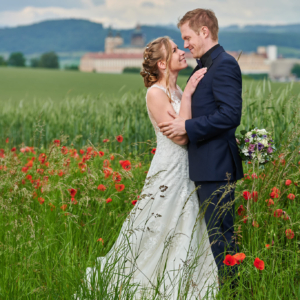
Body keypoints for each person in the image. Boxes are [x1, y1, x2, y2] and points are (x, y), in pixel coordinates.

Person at [79, 36, 219, 299]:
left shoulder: (176, 92)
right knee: (157, 225)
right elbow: (180, 137)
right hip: (169, 171)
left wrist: (187, 97)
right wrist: (189, 93)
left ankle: (188, 284)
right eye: (175, 50)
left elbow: (185, 124)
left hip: (188, 169)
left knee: (187, 223)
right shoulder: (155, 93)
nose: (182, 51)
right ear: (164, 64)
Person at [157, 9, 244, 287]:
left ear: (204, 32)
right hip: (205, 167)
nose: (185, 45)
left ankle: (233, 291)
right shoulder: (203, 66)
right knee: (214, 238)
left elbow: (231, 115)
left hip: (216, 167)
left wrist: (188, 127)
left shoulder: (224, 64)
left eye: (188, 37)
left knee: (222, 238)